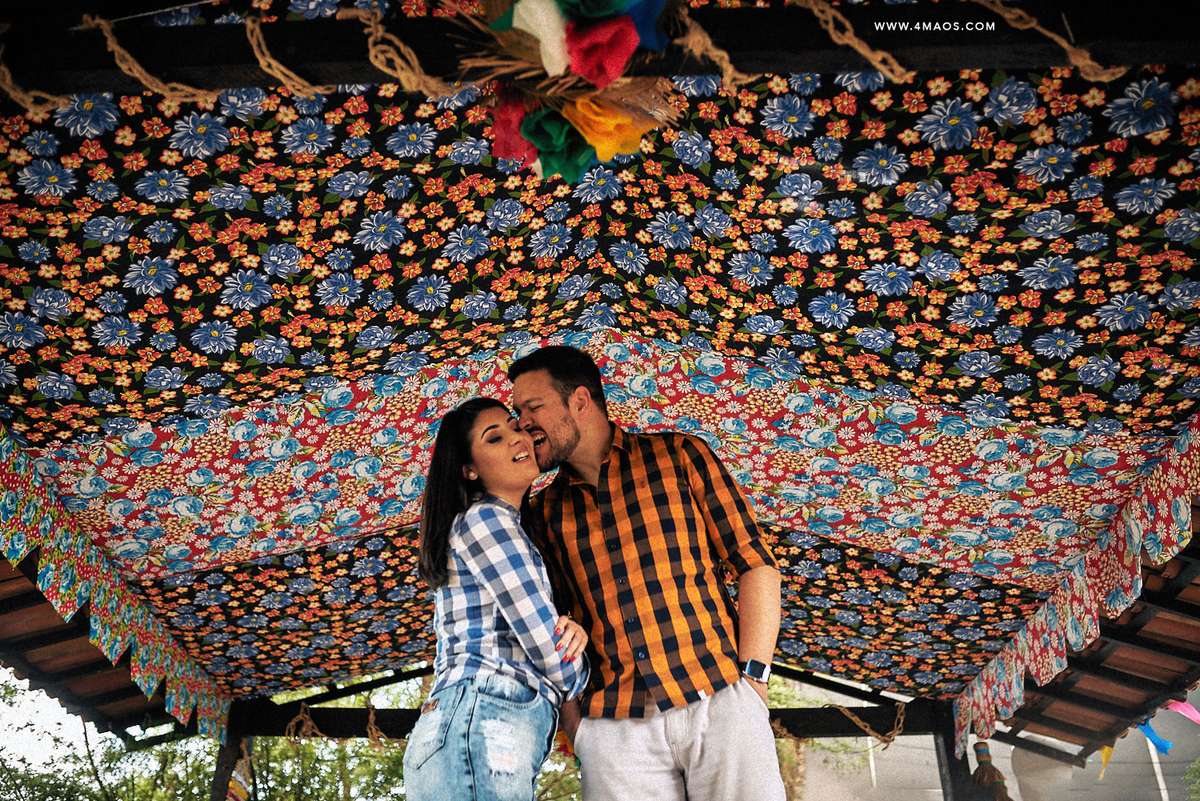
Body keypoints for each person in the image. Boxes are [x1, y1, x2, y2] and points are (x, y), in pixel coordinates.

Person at [508, 346, 786, 801]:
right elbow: (550, 627)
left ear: (580, 400)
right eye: (517, 413)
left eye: (532, 407)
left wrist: (752, 682)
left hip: (719, 698)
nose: (522, 424)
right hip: (614, 728)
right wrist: (576, 723)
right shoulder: (541, 510)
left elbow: (755, 564)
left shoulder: (680, 456)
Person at [404, 397, 590, 801]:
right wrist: (580, 661)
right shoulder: (488, 521)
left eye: (514, 426)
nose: (517, 438)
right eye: (495, 438)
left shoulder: (495, 525)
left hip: (468, 725)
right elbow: (550, 651)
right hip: (485, 719)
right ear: (469, 470)